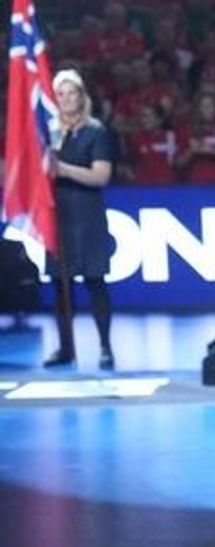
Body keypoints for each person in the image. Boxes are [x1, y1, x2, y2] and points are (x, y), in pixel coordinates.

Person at [44, 69, 117, 370]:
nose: (66, 99)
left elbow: (101, 175)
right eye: (60, 94)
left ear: (82, 96)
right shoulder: (47, 133)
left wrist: (63, 169)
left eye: (72, 93)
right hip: (57, 217)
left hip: (87, 216)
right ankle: (66, 348)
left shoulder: (95, 131)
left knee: (94, 281)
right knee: (60, 286)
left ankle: (105, 347)